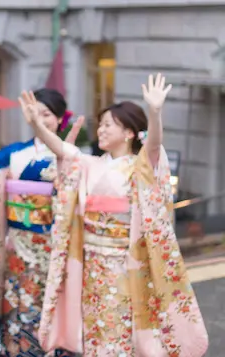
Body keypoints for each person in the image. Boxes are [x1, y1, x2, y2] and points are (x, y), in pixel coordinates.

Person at [23, 74, 208, 357]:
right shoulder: (91, 164)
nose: (101, 130)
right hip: (92, 263)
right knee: (94, 327)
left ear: (129, 133)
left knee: (121, 327)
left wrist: (155, 112)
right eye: (101, 125)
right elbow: (61, 148)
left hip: (123, 263)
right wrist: (36, 124)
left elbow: (155, 145)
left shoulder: (140, 165)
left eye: (108, 125)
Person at [0, 88, 83, 357]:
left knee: (53, 304)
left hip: (55, 245)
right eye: (35, 113)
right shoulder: (14, 154)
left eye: (46, 114)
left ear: (60, 119)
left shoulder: (70, 155)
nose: (40, 119)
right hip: (18, 243)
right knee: (18, 303)